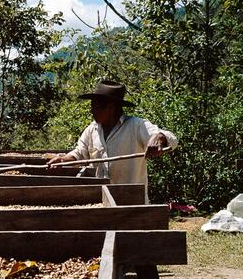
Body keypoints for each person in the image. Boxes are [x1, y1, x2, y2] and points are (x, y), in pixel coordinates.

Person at [47, 79, 178, 203]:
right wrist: (63, 160)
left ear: (110, 107)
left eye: (95, 106)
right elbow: (79, 153)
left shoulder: (136, 126)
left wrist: (159, 138)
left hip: (131, 203)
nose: (91, 111)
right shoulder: (92, 130)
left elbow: (171, 138)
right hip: (100, 201)